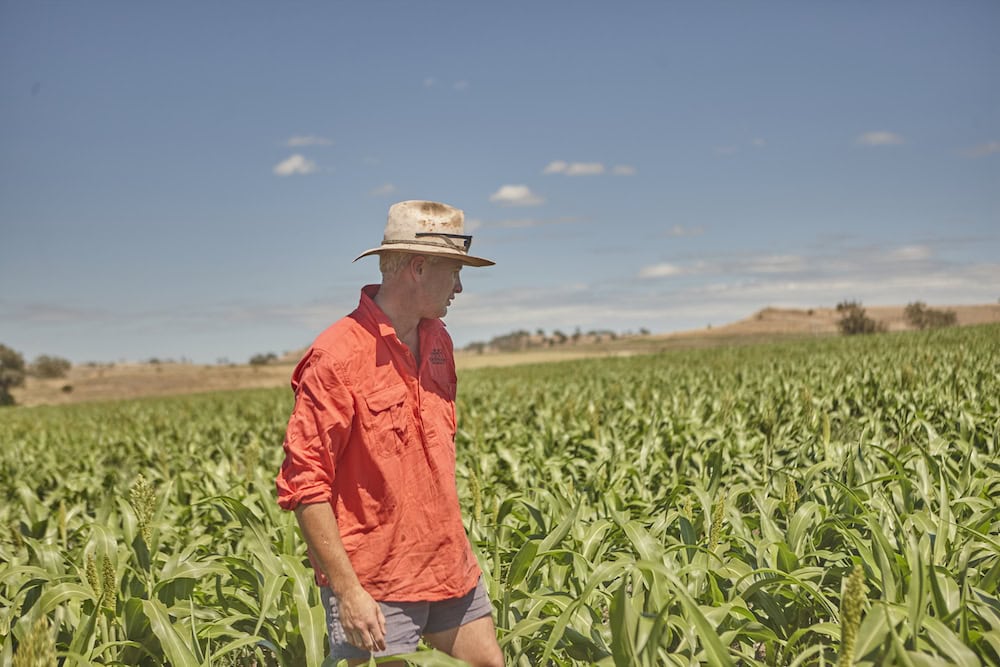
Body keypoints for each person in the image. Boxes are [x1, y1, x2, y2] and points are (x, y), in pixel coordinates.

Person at [276, 200, 505, 667]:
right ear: (418, 268)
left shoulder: (438, 340)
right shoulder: (336, 357)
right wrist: (348, 593)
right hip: (375, 581)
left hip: (446, 563)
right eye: (454, 272)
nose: (460, 286)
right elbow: (305, 486)